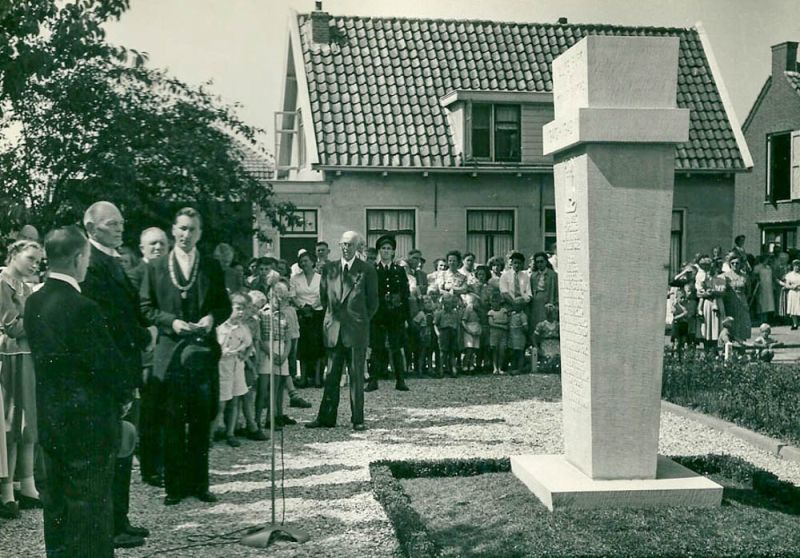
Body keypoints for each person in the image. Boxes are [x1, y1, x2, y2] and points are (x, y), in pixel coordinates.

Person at [25, 225, 127, 557]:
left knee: (56, 509)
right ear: (77, 258)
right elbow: (109, 367)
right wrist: (125, 394)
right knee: (91, 514)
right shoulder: (85, 308)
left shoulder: (34, 302)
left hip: (51, 418)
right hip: (88, 424)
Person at [140, 207, 232, 506]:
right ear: (172, 230)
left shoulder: (211, 267)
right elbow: (145, 308)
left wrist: (210, 318)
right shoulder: (155, 268)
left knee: (201, 420)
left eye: (192, 229)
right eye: (181, 228)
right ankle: (175, 487)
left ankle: (199, 484)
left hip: (202, 352)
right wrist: (170, 321)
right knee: (172, 420)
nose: (186, 235)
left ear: (200, 233)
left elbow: (224, 307)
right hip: (170, 354)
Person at [81, 201, 152, 548]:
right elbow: (111, 321)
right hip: (114, 372)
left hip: (128, 366)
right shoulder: (92, 266)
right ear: (92, 228)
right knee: (114, 446)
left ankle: (119, 518)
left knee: (126, 445)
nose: (120, 229)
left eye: (121, 223)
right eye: (112, 224)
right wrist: (143, 336)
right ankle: (109, 525)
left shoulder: (113, 259)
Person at [306, 231, 378, 431]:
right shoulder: (329, 269)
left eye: (350, 245)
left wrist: (359, 321)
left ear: (358, 247)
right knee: (331, 377)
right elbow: (323, 298)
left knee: (355, 377)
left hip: (355, 332)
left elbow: (373, 303)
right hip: (334, 331)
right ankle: (326, 418)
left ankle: (358, 419)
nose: (346, 248)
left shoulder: (367, 270)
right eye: (343, 244)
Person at [0, 240, 43, 520]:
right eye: (30, 258)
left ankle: (27, 485)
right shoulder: (3, 282)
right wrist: (41, 321)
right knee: (12, 422)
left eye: (38, 262)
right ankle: (7, 492)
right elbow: (12, 325)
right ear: (14, 255)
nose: (34, 265)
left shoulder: (26, 287)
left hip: (27, 357)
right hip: (10, 357)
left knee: (28, 422)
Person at [128, 226, 168, 488]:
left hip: (170, 352)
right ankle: (151, 469)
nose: (157, 248)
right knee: (150, 412)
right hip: (146, 352)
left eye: (162, 244)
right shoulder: (133, 276)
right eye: (152, 244)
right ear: (142, 248)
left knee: (169, 411)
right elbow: (130, 317)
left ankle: (166, 464)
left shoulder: (172, 275)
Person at [366, 235, 410, 392]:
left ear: (393, 252)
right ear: (379, 251)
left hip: (395, 315)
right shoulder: (372, 270)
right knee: (376, 347)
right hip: (377, 315)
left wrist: (406, 317)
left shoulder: (399, 271)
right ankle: (373, 380)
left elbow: (405, 295)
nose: (386, 251)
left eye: (389, 249)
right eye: (383, 248)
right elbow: (368, 294)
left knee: (396, 347)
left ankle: (400, 380)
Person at [214, 291, 252, 447]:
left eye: (244, 309)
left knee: (235, 400)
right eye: (237, 308)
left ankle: (230, 433)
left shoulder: (243, 328)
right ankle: (213, 432)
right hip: (223, 366)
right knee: (221, 402)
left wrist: (246, 354)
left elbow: (249, 343)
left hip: (237, 366)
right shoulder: (221, 327)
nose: (241, 312)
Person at [290, 250, 325, 388]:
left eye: (306, 261)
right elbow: (292, 295)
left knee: (317, 345)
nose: (303, 263)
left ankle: (317, 378)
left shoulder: (320, 278)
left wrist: (312, 306)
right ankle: (303, 378)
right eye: (301, 261)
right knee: (303, 346)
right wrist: (302, 307)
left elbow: (323, 295)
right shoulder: (295, 278)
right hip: (302, 314)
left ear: (312, 262)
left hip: (316, 313)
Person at [695, 256, 725, 351]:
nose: (711, 270)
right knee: (706, 326)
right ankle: (707, 348)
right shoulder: (703, 278)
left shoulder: (720, 278)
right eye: (708, 267)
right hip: (707, 304)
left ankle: (715, 348)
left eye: (713, 267)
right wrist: (705, 294)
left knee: (716, 326)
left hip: (717, 302)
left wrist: (714, 292)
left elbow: (723, 292)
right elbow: (698, 293)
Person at [721, 254, 751, 341]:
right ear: (730, 264)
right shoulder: (725, 276)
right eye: (733, 263)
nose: (735, 265)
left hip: (742, 301)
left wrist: (745, 300)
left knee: (742, 324)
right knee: (731, 324)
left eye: (737, 263)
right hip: (730, 302)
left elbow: (749, 291)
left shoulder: (745, 276)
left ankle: (742, 345)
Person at [528, 251, 558, 332]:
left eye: (542, 261)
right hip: (536, 303)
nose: (540, 264)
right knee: (536, 323)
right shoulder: (533, 276)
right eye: (537, 262)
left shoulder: (553, 275)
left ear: (546, 262)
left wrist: (555, 303)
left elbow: (556, 291)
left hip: (548, 301)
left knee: (547, 323)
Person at [434, 293, 461, 377]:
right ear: (443, 304)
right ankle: (440, 370)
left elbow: (457, 324)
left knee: (452, 352)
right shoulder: (440, 313)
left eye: (449, 303)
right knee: (443, 352)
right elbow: (435, 324)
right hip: (444, 332)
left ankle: (453, 370)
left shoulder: (455, 313)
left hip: (452, 332)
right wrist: (438, 333)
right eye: (445, 303)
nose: (447, 305)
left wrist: (458, 335)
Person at [488, 296, 510, 375]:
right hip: (494, 334)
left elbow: (506, 320)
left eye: (496, 302)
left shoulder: (504, 310)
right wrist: (502, 326)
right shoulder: (491, 312)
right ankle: (495, 368)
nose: (494, 304)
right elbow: (491, 323)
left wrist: (496, 321)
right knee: (494, 350)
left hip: (503, 335)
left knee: (502, 351)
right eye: (493, 302)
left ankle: (500, 367)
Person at [461, 293, 482, 373]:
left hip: (476, 329)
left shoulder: (479, 310)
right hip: (469, 329)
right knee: (469, 349)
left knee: (474, 349)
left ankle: (471, 365)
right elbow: (463, 321)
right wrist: (468, 330)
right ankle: (465, 365)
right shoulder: (469, 309)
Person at [752, 255, 775, 325]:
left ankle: (766, 319)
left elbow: (772, 276)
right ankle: (761, 319)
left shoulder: (769, 267)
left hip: (768, 287)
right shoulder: (757, 267)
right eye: (766, 259)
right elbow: (754, 276)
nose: (767, 261)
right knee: (761, 302)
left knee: (768, 303)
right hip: (761, 286)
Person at [508, 299, 528, 374]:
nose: (514, 306)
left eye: (516, 305)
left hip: (519, 336)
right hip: (512, 336)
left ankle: (520, 369)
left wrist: (520, 330)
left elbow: (526, 327)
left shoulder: (523, 316)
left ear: (521, 306)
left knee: (520, 353)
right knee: (513, 353)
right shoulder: (513, 314)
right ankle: (513, 368)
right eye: (514, 305)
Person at [779, 259, 800, 330]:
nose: (796, 267)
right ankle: (795, 324)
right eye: (795, 266)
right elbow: (786, 285)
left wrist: (797, 286)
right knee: (793, 308)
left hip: (799, 292)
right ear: (793, 266)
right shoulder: (789, 275)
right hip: (792, 292)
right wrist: (792, 287)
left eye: (798, 266)